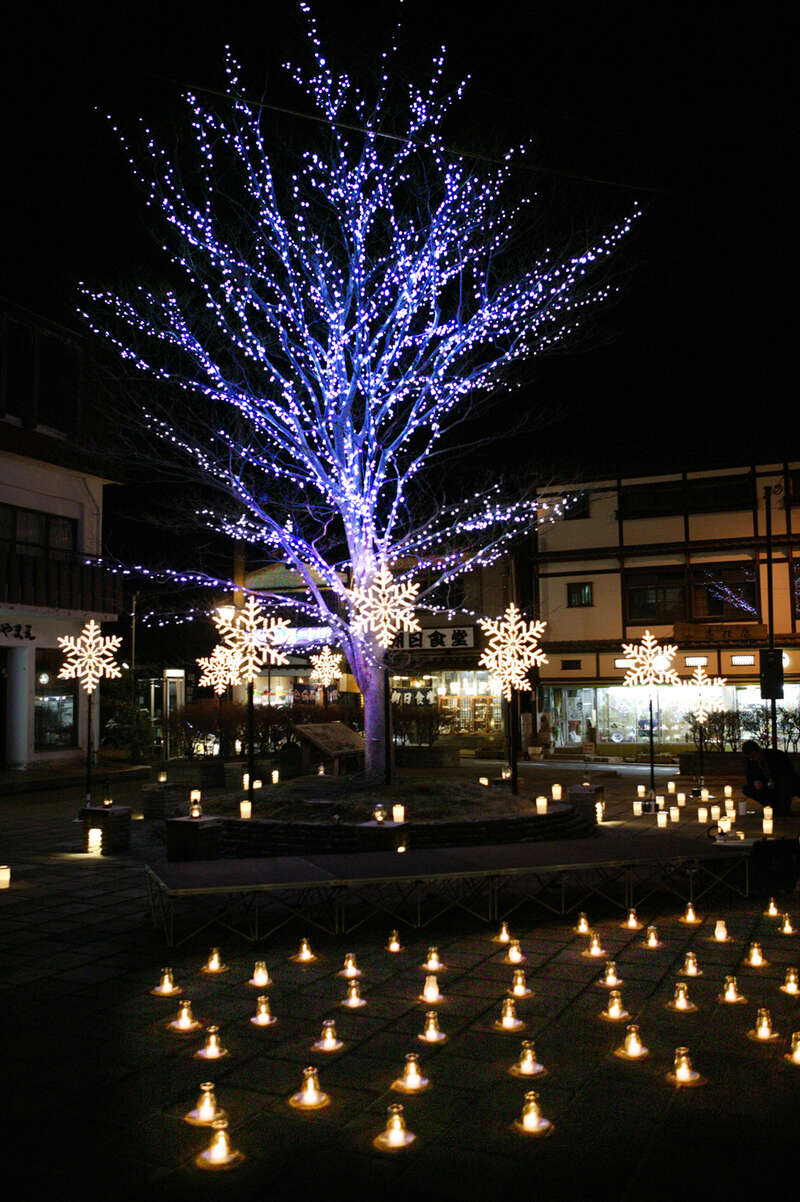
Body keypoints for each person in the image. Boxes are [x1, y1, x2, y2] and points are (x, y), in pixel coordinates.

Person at [741, 740, 800, 817]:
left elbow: (788, 772)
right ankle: (770, 804)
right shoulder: (752, 761)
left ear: (758, 751)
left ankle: (783, 807)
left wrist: (775, 780)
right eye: (750, 758)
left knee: (785, 785)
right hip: (766, 785)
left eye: (753, 756)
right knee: (747, 789)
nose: (753, 759)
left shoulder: (777, 755)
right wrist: (754, 781)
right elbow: (750, 775)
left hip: (783, 783)